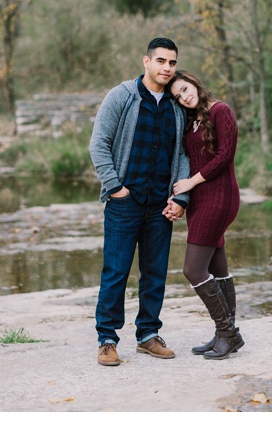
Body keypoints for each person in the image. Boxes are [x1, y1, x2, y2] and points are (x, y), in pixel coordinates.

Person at [88, 37, 190, 366]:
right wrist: (115, 187)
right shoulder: (123, 96)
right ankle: (107, 339)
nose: (167, 68)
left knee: (155, 272)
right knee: (116, 271)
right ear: (146, 61)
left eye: (172, 63)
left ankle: (148, 335)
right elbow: (98, 144)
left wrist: (180, 198)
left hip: (161, 203)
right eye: (161, 61)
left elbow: (185, 155)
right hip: (125, 201)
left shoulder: (177, 105)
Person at [169, 70, 244, 359]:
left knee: (193, 269)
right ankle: (224, 334)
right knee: (218, 269)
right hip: (200, 200)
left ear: (195, 84)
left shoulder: (220, 111)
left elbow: (225, 156)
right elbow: (188, 159)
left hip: (220, 197)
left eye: (186, 89)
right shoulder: (192, 121)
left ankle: (228, 333)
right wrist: (180, 195)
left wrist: (191, 182)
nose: (185, 97)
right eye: (179, 96)